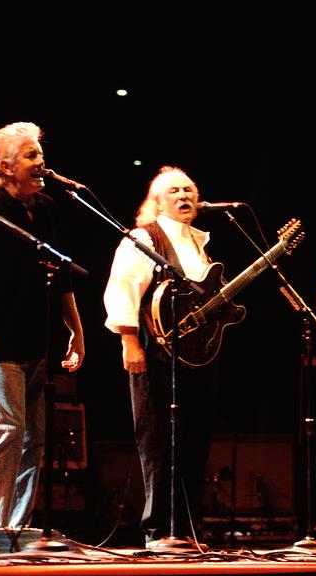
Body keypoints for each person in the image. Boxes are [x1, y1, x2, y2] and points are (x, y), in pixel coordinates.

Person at [0, 122, 85, 530]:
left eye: (40, 154)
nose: (41, 162)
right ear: (5, 167)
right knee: (6, 434)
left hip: (36, 344)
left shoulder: (45, 209)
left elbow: (61, 277)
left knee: (35, 443)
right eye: (30, 156)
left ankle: (16, 529)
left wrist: (76, 331)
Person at [104, 166, 220, 548]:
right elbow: (123, 291)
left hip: (193, 359)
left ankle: (186, 526)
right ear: (157, 202)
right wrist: (129, 342)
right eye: (174, 191)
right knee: (157, 442)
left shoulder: (197, 244)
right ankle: (158, 529)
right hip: (154, 354)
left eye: (189, 189)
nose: (184, 195)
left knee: (195, 440)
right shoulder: (143, 238)